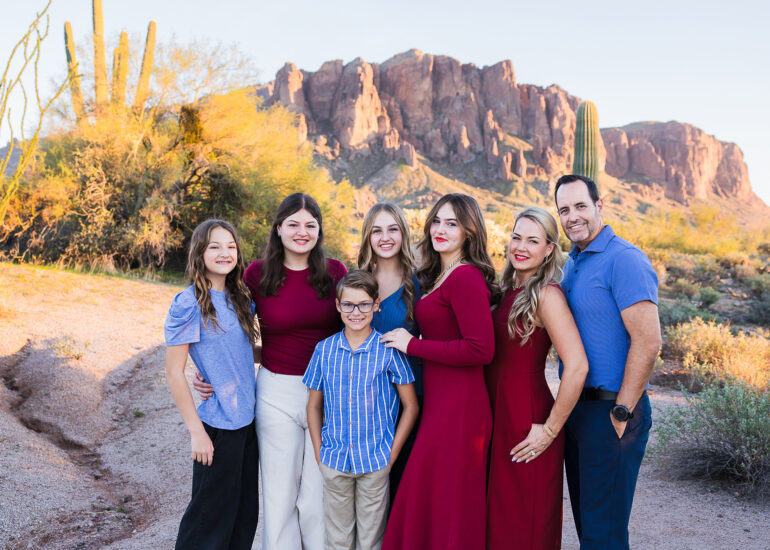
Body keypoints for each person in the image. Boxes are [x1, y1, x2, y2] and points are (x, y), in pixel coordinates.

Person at [193, 193, 347, 550]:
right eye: (293, 224)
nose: (302, 232)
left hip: (327, 394)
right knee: (279, 495)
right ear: (278, 229)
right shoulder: (256, 275)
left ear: (320, 231)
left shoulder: (335, 272)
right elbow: (228, 328)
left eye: (310, 225)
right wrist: (211, 373)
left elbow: (354, 326)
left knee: (315, 496)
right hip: (276, 391)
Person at [380, 193, 498, 550]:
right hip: (440, 401)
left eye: (452, 223)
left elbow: (482, 349)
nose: (441, 229)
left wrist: (412, 345)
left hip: (460, 408)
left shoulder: (465, 277)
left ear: (469, 231)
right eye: (437, 221)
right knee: (432, 495)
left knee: (446, 498)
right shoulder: (437, 275)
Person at [554, 175, 662, 550]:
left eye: (580, 206)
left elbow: (648, 342)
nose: (572, 217)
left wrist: (621, 412)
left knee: (605, 535)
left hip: (613, 411)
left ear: (599, 206)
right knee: (589, 527)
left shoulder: (625, 259)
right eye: (564, 210)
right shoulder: (573, 264)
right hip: (578, 412)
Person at [485, 207, 588, 550]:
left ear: (548, 249)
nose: (521, 247)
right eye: (516, 237)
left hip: (526, 417)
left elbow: (576, 366)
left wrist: (549, 430)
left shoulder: (547, 295)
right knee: (494, 518)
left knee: (522, 521)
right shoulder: (501, 289)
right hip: (492, 413)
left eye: (533, 240)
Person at [304, 270, 419, 550]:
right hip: (335, 461)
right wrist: (321, 455)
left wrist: (390, 457)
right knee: (338, 539)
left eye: (364, 304)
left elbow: (411, 406)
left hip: (376, 462)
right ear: (338, 306)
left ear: (376, 305)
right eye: (348, 304)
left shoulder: (389, 350)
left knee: (371, 539)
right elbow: (314, 406)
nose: (356, 311)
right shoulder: (324, 350)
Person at [164, 219, 260, 549]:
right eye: (215, 246)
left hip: (248, 423)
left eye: (231, 246)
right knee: (208, 524)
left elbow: (243, 353)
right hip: (217, 428)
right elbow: (174, 372)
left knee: (243, 518)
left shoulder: (242, 298)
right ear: (200, 252)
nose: (224, 253)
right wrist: (196, 432)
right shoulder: (188, 303)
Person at [357, 202, 422, 503]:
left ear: (403, 233)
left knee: (398, 489)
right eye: (377, 230)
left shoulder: (419, 284)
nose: (385, 237)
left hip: (407, 401)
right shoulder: (356, 282)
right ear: (368, 236)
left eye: (392, 229)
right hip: (362, 403)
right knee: (364, 496)